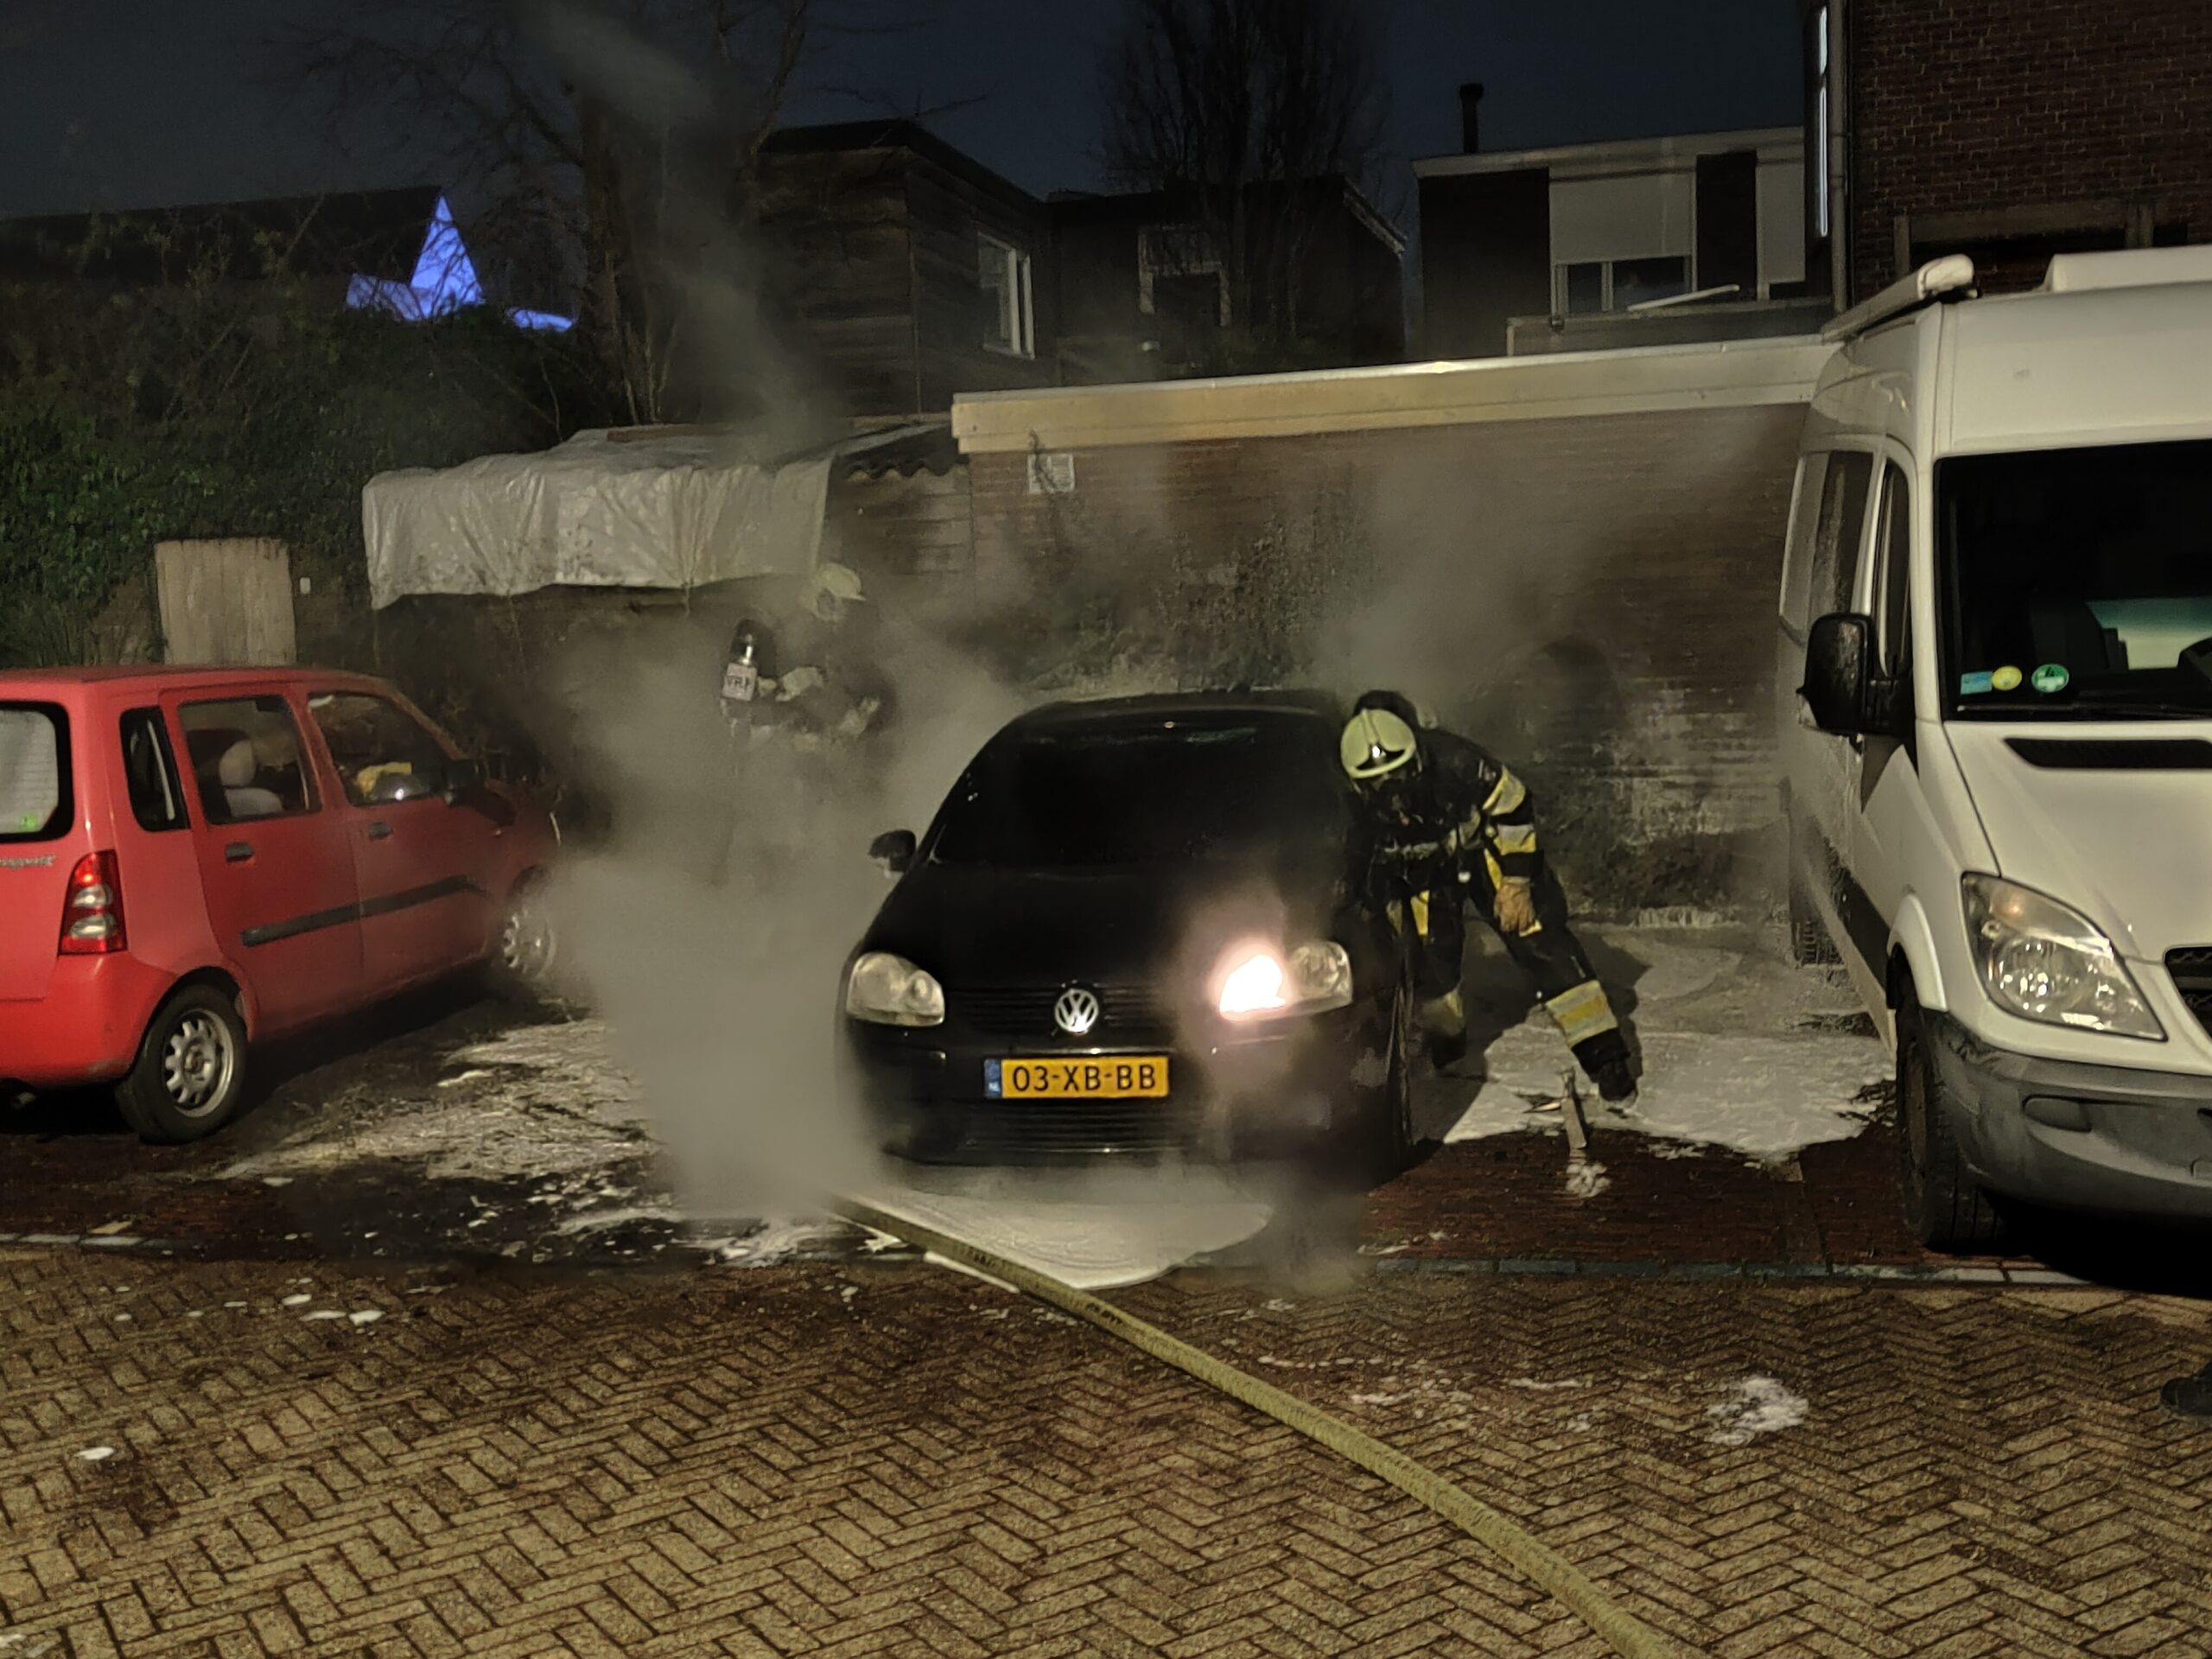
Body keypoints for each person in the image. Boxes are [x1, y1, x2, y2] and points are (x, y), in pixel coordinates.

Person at [1340, 691, 1637, 1104]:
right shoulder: (1342, 795)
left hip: (1482, 849)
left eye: (1400, 777)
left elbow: (1514, 805)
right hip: (1423, 870)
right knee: (1431, 959)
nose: (1392, 795)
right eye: (1376, 786)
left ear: (1418, 756)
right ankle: (1447, 1050)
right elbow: (1353, 859)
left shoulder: (1458, 761)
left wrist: (1517, 883)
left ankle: (1607, 1059)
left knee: (1538, 940)